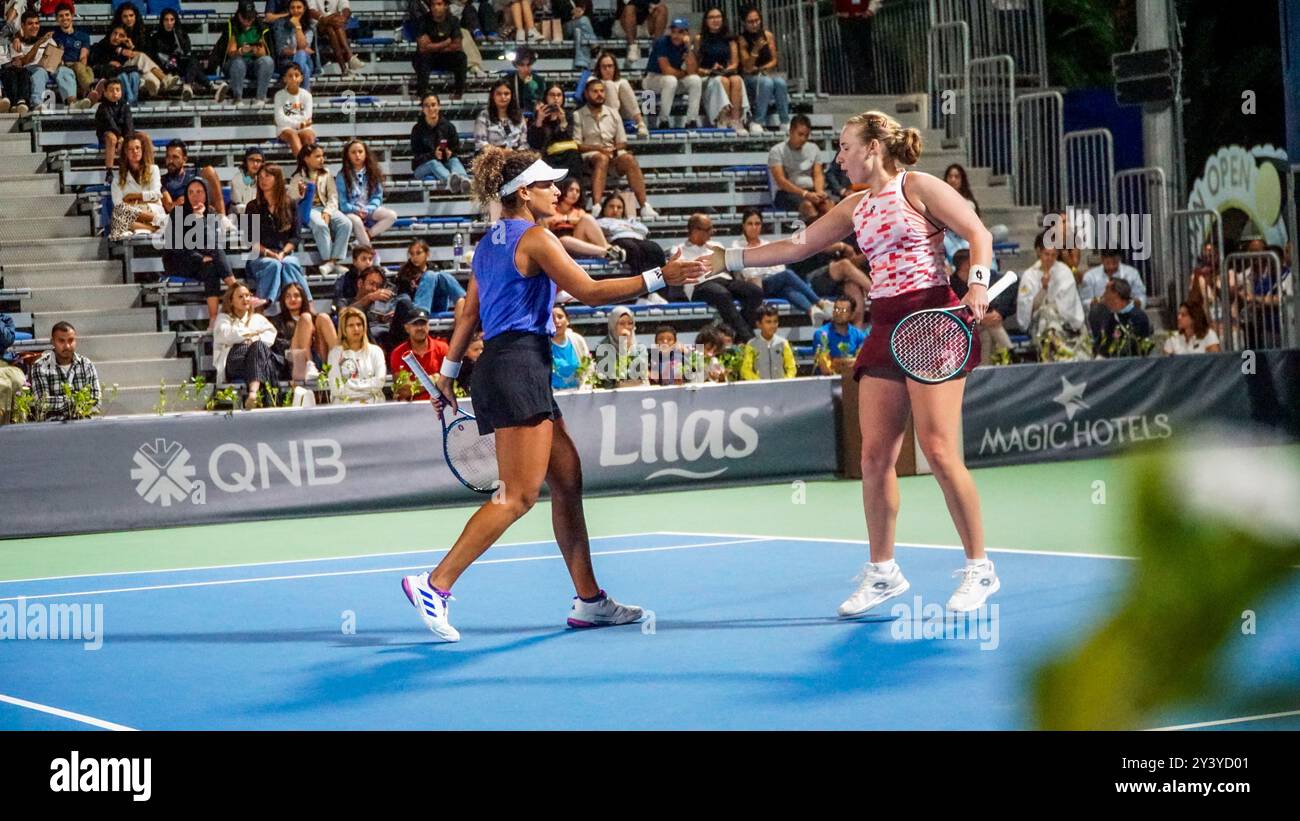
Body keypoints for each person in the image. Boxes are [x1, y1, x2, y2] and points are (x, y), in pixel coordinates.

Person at [402, 145, 708, 642]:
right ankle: (435, 583)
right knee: (517, 496)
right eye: (546, 185)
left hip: (508, 366)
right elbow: (589, 293)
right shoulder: (537, 238)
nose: (557, 191)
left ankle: (589, 601)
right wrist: (660, 276)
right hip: (519, 365)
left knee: (566, 479)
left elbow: (468, 314)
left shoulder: (488, 243)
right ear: (522, 193)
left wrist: (447, 372)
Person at [709, 109, 1001, 615]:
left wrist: (976, 282)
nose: (839, 157)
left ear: (873, 148)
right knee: (874, 456)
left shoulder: (920, 186)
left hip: (933, 318)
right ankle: (884, 572)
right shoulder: (855, 206)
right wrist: (727, 258)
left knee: (937, 449)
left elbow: (978, 232)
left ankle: (980, 568)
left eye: (845, 147)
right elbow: (797, 247)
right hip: (886, 324)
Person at [669, 212, 763, 341]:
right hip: (700, 285)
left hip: (724, 280)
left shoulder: (717, 245)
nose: (712, 232)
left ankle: (737, 336)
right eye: (708, 229)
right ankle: (749, 338)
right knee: (721, 294)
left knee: (754, 292)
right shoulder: (679, 250)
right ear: (695, 231)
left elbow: (730, 267)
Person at [731, 208, 829, 325]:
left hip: (772, 283)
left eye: (757, 224)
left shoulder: (767, 244)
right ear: (743, 226)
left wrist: (763, 269)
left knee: (787, 289)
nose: (754, 227)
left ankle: (812, 311)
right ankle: (819, 302)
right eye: (750, 224)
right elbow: (748, 273)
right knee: (787, 275)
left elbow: (779, 266)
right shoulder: (736, 246)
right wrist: (766, 269)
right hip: (754, 287)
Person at [574, 78, 656, 217]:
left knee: (629, 159)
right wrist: (600, 149)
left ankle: (644, 206)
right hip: (590, 158)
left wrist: (612, 150)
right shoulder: (578, 115)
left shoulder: (613, 113)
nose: (599, 94)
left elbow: (622, 142)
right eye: (595, 91)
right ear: (587, 94)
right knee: (601, 158)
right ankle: (596, 206)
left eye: (601, 91)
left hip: (612, 155)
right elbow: (576, 144)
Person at [162, 178, 236, 325]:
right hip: (179, 262)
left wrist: (200, 219)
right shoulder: (178, 213)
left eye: (199, 192)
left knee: (212, 267)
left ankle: (213, 319)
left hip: (205, 261)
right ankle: (235, 287)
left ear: (206, 194)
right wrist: (199, 258)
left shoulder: (211, 212)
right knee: (216, 254)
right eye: (191, 192)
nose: (195, 196)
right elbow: (177, 246)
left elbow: (212, 241)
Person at [245, 164, 312, 301]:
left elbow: (295, 237)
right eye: (260, 177)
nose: (263, 180)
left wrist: (282, 253)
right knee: (274, 264)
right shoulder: (252, 207)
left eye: (267, 176)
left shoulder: (290, 204)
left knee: (289, 263)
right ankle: (269, 303)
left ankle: (298, 303)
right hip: (259, 257)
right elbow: (250, 241)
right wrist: (270, 254)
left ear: (277, 179)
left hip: (283, 254)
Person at [1017, 231, 1088, 360]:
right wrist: (1043, 289)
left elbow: (1068, 304)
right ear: (1039, 252)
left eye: (1053, 255)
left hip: (1065, 322)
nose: (1049, 258)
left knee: (1051, 313)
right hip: (1039, 323)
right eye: (1046, 254)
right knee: (1046, 313)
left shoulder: (1064, 271)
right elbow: (1026, 309)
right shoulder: (1029, 275)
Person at [212, 281, 281, 408]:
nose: (245, 299)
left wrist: (251, 340)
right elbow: (227, 335)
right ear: (231, 301)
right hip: (235, 362)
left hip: (256, 360)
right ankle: (258, 395)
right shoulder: (223, 318)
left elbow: (271, 335)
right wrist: (252, 333)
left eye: (247, 295)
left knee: (259, 346)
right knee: (258, 348)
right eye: (240, 296)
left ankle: (253, 394)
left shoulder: (257, 318)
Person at [289, 141, 352, 276]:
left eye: (322, 156)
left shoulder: (326, 174)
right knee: (321, 225)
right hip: (308, 209)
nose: (321, 159)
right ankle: (328, 260)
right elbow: (293, 199)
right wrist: (301, 192)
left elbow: (333, 195)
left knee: (346, 223)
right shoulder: (297, 176)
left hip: (325, 207)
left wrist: (328, 211)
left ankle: (333, 261)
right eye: (317, 156)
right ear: (306, 158)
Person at [949, 248, 1013, 364]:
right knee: (988, 329)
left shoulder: (975, 282)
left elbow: (984, 302)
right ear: (965, 264)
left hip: (979, 321)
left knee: (988, 330)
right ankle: (1009, 352)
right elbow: (957, 311)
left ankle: (987, 365)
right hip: (960, 325)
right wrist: (982, 319)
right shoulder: (952, 284)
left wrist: (992, 315)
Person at [30, 321, 101, 421]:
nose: (67, 346)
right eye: (61, 341)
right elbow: (42, 403)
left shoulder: (86, 365)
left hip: (83, 424)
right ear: (53, 342)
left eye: (71, 340)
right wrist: (75, 401)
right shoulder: (40, 366)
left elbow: (95, 401)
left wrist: (59, 403)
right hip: (53, 427)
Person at [768, 113, 831, 221]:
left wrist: (819, 191)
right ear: (791, 132)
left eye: (806, 135)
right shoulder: (777, 151)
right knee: (808, 206)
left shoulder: (814, 148)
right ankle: (816, 236)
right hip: (787, 193)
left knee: (829, 205)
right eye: (800, 134)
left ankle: (834, 236)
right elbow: (781, 181)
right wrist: (805, 194)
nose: (803, 138)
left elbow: (818, 174)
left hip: (811, 191)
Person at [337, 139, 398, 248]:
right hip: (351, 211)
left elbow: (377, 197)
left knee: (391, 215)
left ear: (366, 154)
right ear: (348, 155)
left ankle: (366, 236)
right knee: (356, 221)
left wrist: (367, 209)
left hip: (368, 208)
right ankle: (370, 253)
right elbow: (342, 203)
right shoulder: (342, 176)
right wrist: (356, 210)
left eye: (360, 151)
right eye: (353, 152)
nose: (357, 155)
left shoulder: (373, 172)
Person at [642, 16, 700, 130]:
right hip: (652, 80)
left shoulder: (686, 46)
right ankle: (664, 120)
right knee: (670, 80)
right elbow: (666, 70)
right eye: (673, 32)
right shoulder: (662, 42)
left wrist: (689, 47)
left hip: (673, 81)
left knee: (695, 80)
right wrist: (684, 73)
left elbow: (693, 71)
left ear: (686, 33)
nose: (676, 36)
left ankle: (691, 121)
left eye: (680, 32)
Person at [270, 280, 337, 379]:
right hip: (295, 360)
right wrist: (303, 337)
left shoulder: (315, 319)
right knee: (305, 317)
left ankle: (338, 363)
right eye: (288, 296)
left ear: (303, 298)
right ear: (283, 300)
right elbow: (279, 347)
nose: (292, 299)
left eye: (296, 296)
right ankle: (309, 364)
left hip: (318, 355)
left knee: (323, 317)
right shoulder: (277, 321)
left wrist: (313, 337)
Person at [737, 6, 788, 134]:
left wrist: (762, 68)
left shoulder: (767, 35)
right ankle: (757, 120)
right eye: (751, 22)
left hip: (765, 72)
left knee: (780, 83)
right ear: (744, 23)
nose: (755, 24)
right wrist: (755, 50)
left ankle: (785, 121)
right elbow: (747, 67)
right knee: (767, 83)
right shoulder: (741, 39)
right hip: (749, 77)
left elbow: (774, 60)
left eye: (757, 20)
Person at [693, 6, 744, 133]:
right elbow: (695, 67)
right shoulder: (700, 39)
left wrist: (724, 69)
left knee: (737, 79)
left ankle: (735, 120)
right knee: (723, 81)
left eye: (718, 17)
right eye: (711, 17)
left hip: (724, 72)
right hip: (707, 76)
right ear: (706, 21)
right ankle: (723, 118)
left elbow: (735, 63)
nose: (715, 20)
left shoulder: (730, 39)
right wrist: (710, 71)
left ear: (723, 19)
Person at [214, 0, 275, 104]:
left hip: (253, 64)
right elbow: (230, 53)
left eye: (251, 18)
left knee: (267, 61)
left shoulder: (261, 27)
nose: (248, 21)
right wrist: (241, 51)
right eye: (245, 18)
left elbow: (265, 53)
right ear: (239, 15)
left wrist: (256, 51)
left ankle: (260, 98)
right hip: (234, 64)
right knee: (238, 63)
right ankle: (237, 98)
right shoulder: (232, 27)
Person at [108, 132, 166, 240]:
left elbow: (157, 194)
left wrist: (132, 197)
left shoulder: (153, 169)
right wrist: (145, 199)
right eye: (130, 149)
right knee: (118, 215)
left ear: (142, 150)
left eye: (137, 148)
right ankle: (157, 226)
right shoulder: (117, 178)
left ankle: (158, 221)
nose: (135, 151)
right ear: (125, 152)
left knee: (122, 215)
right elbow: (119, 205)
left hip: (151, 211)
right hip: (134, 218)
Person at [396, 237, 466, 323]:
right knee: (430, 275)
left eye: (418, 253)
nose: (415, 257)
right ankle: (420, 312)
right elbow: (403, 297)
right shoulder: (405, 272)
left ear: (427, 254)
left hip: (437, 304)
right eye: (412, 254)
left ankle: (462, 300)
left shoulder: (434, 268)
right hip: (416, 308)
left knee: (442, 275)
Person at [411, 93, 471, 191]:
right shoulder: (417, 129)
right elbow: (417, 156)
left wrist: (450, 153)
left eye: (433, 105)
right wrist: (433, 155)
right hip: (423, 167)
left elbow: (456, 150)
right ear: (422, 109)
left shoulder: (448, 127)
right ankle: (451, 181)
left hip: (444, 163)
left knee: (454, 160)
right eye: (426, 105)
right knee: (433, 163)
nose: (430, 108)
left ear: (439, 106)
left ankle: (464, 180)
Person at [327, 306, 387, 402]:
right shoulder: (335, 354)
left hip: (373, 406)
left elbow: (379, 382)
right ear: (344, 329)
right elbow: (336, 389)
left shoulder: (376, 351)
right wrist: (367, 387)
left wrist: (350, 384)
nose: (356, 328)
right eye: (351, 325)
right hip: (345, 408)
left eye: (359, 324)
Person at [526, 82, 583, 183]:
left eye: (559, 95)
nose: (556, 98)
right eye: (552, 95)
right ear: (546, 97)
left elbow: (568, 139)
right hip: (546, 154)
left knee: (573, 156)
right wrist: (539, 121)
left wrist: (563, 123)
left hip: (565, 154)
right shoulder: (538, 115)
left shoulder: (568, 115)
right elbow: (535, 143)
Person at [596, 193, 665, 277]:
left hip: (638, 239)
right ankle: (642, 286)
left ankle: (659, 287)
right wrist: (627, 227)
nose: (615, 210)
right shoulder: (600, 221)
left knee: (654, 248)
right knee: (634, 249)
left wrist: (624, 225)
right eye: (611, 206)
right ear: (604, 208)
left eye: (619, 207)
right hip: (618, 240)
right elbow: (609, 230)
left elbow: (644, 230)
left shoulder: (629, 221)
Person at [390, 307, 449, 400]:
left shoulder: (442, 348)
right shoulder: (398, 353)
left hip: (440, 404)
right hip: (410, 408)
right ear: (407, 327)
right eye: (415, 324)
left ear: (428, 326)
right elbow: (403, 391)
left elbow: (447, 383)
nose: (420, 328)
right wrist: (432, 380)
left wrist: (415, 385)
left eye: (423, 324)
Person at [412, 0, 466, 100]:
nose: (435, 7)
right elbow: (423, 47)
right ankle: (422, 93)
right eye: (433, 5)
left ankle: (458, 93)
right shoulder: (423, 20)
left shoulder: (453, 20)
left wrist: (432, 46)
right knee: (421, 57)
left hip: (445, 58)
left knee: (461, 57)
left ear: (446, 6)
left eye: (439, 4)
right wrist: (446, 42)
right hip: (428, 58)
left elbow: (457, 46)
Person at [152, 7, 209, 101]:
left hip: (180, 67)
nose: (169, 23)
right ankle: (209, 85)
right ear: (162, 21)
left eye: (172, 20)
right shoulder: (155, 37)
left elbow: (187, 52)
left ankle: (187, 86)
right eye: (166, 20)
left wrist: (179, 39)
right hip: (165, 68)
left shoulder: (181, 35)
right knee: (194, 65)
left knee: (193, 60)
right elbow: (156, 57)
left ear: (175, 20)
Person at [588, 49, 649, 137]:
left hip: (623, 114)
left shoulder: (620, 82)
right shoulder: (592, 80)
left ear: (614, 67)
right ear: (599, 68)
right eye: (604, 67)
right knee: (609, 84)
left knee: (623, 83)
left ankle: (640, 123)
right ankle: (614, 125)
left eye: (610, 66)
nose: (607, 69)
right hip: (602, 115)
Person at [1094, 278, 1152, 358]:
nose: (1103, 295)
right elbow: (1102, 344)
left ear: (1116, 294)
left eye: (1106, 291)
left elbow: (1138, 347)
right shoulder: (1109, 317)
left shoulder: (1138, 317)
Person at [593, 304, 649, 387]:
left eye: (630, 323)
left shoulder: (640, 348)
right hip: (612, 396)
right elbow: (614, 378)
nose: (627, 327)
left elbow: (639, 374)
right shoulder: (603, 348)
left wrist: (629, 346)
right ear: (613, 326)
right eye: (622, 323)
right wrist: (623, 346)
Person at [52, 5, 95, 108]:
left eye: (67, 15)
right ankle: (73, 102)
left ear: (72, 16)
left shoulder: (83, 36)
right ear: (57, 19)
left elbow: (83, 57)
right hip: (60, 66)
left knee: (83, 69)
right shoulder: (54, 36)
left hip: (77, 65)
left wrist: (80, 68)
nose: (64, 18)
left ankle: (90, 92)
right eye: (61, 16)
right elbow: (54, 59)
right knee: (64, 71)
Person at [811, 295, 866, 375]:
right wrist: (850, 362)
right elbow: (825, 368)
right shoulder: (821, 334)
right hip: (827, 382)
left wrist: (839, 362)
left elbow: (862, 363)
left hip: (852, 379)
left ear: (852, 314)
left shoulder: (859, 336)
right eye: (836, 309)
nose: (838, 313)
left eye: (843, 310)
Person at [272, 0, 320, 89]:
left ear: (304, 9)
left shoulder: (310, 25)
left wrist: (297, 26)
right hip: (286, 61)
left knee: (301, 54)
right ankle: (303, 96)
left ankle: (291, 89)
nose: (296, 10)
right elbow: (281, 50)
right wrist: (298, 50)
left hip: (307, 60)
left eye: (299, 7)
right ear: (288, 9)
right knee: (305, 68)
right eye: (292, 7)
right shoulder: (280, 24)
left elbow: (302, 47)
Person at [740, 304, 795, 380]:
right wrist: (759, 382)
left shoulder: (783, 343)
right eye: (768, 322)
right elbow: (746, 370)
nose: (772, 325)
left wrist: (785, 381)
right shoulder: (752, 344)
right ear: (759, 324)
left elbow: (791, 367)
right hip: (760, 388)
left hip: (780, 387)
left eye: (775, 321)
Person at [272, 62, 314, 155]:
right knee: (292, 135)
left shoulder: (307, 95)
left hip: (303, 127)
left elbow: (307, 117)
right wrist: (299, 124)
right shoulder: (279, 95)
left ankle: (311, 165)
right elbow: (279, 119)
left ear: (301, 78)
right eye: (290, 76)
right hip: (285, 129)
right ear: (285, 79)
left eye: (296, 75)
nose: (294, 79)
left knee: (309, 136)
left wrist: (301, 124)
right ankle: (301, 165)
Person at [474, 77, 527, 151]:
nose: (503, 97)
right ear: (493, 96)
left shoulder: (519, 116)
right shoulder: (483, 116)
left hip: (515, 157)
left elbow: (523, 143)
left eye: (506, 94)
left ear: (511, 96)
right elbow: (481, 143)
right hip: (491, 157)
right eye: (499, 94)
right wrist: (502, 152)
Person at [93, 77, 131, 178]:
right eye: (111, 90)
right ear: (104, 93)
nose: (115, 93)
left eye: (117, 90)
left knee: (143, 137)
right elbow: (110, 124)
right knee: (112, 138)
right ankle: (109, 171)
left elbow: (129, 123)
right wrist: (119, 137)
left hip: (121, 135)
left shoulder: (125, 105)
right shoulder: (102, 107)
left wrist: (125, 137)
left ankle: (143, 168)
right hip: (106, 135)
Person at [549, 303, 590, 389]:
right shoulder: (543, 345)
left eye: (560, 317)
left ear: (568, 320)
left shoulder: (578, 340)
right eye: (552, 319)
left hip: (580, 394)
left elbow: (588, 368)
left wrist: (584, 389)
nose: (556, 321)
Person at [228, 146, 265, 214]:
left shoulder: (263, 179)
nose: (255, 164)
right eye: (251, 160)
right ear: (245, 161)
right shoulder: (238, 179)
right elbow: (238, 207)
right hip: (240, 216)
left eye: (258, 161)